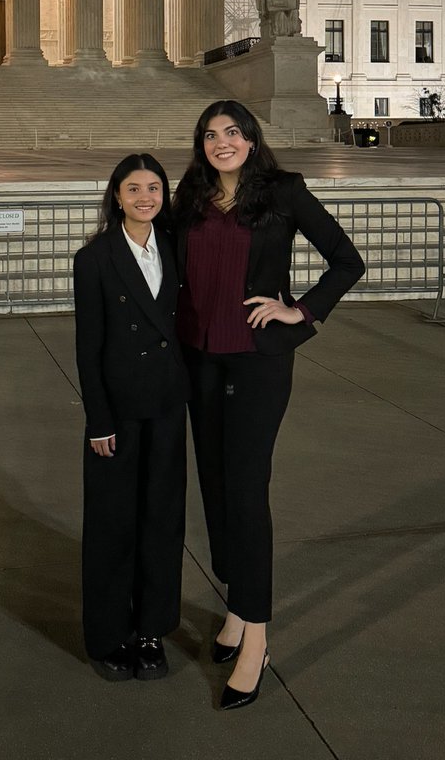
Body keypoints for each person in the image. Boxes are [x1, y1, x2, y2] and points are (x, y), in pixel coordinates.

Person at [172, 100, 365, 709]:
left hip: (257, 362)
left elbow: (346, 260)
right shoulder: (193, 196)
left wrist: (299, 311)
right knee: (216, 486)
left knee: (247, 493)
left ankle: (256, 635)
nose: (221, 142)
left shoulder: (283, 191)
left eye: (233, 132)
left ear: (252, 140)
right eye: (210, 135)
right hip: (201, 358)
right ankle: (235, 611)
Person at [73, 154, 189, 682]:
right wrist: (99, 421)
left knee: (162, 523)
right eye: (133, 188)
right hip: (117, 414)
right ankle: (109, 633)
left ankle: (151, 630)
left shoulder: (174, 246)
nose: (146, 196)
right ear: (115, 196)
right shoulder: (94, 258)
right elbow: (88, 347)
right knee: (112, 527)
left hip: (166, 407)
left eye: (154, 187)